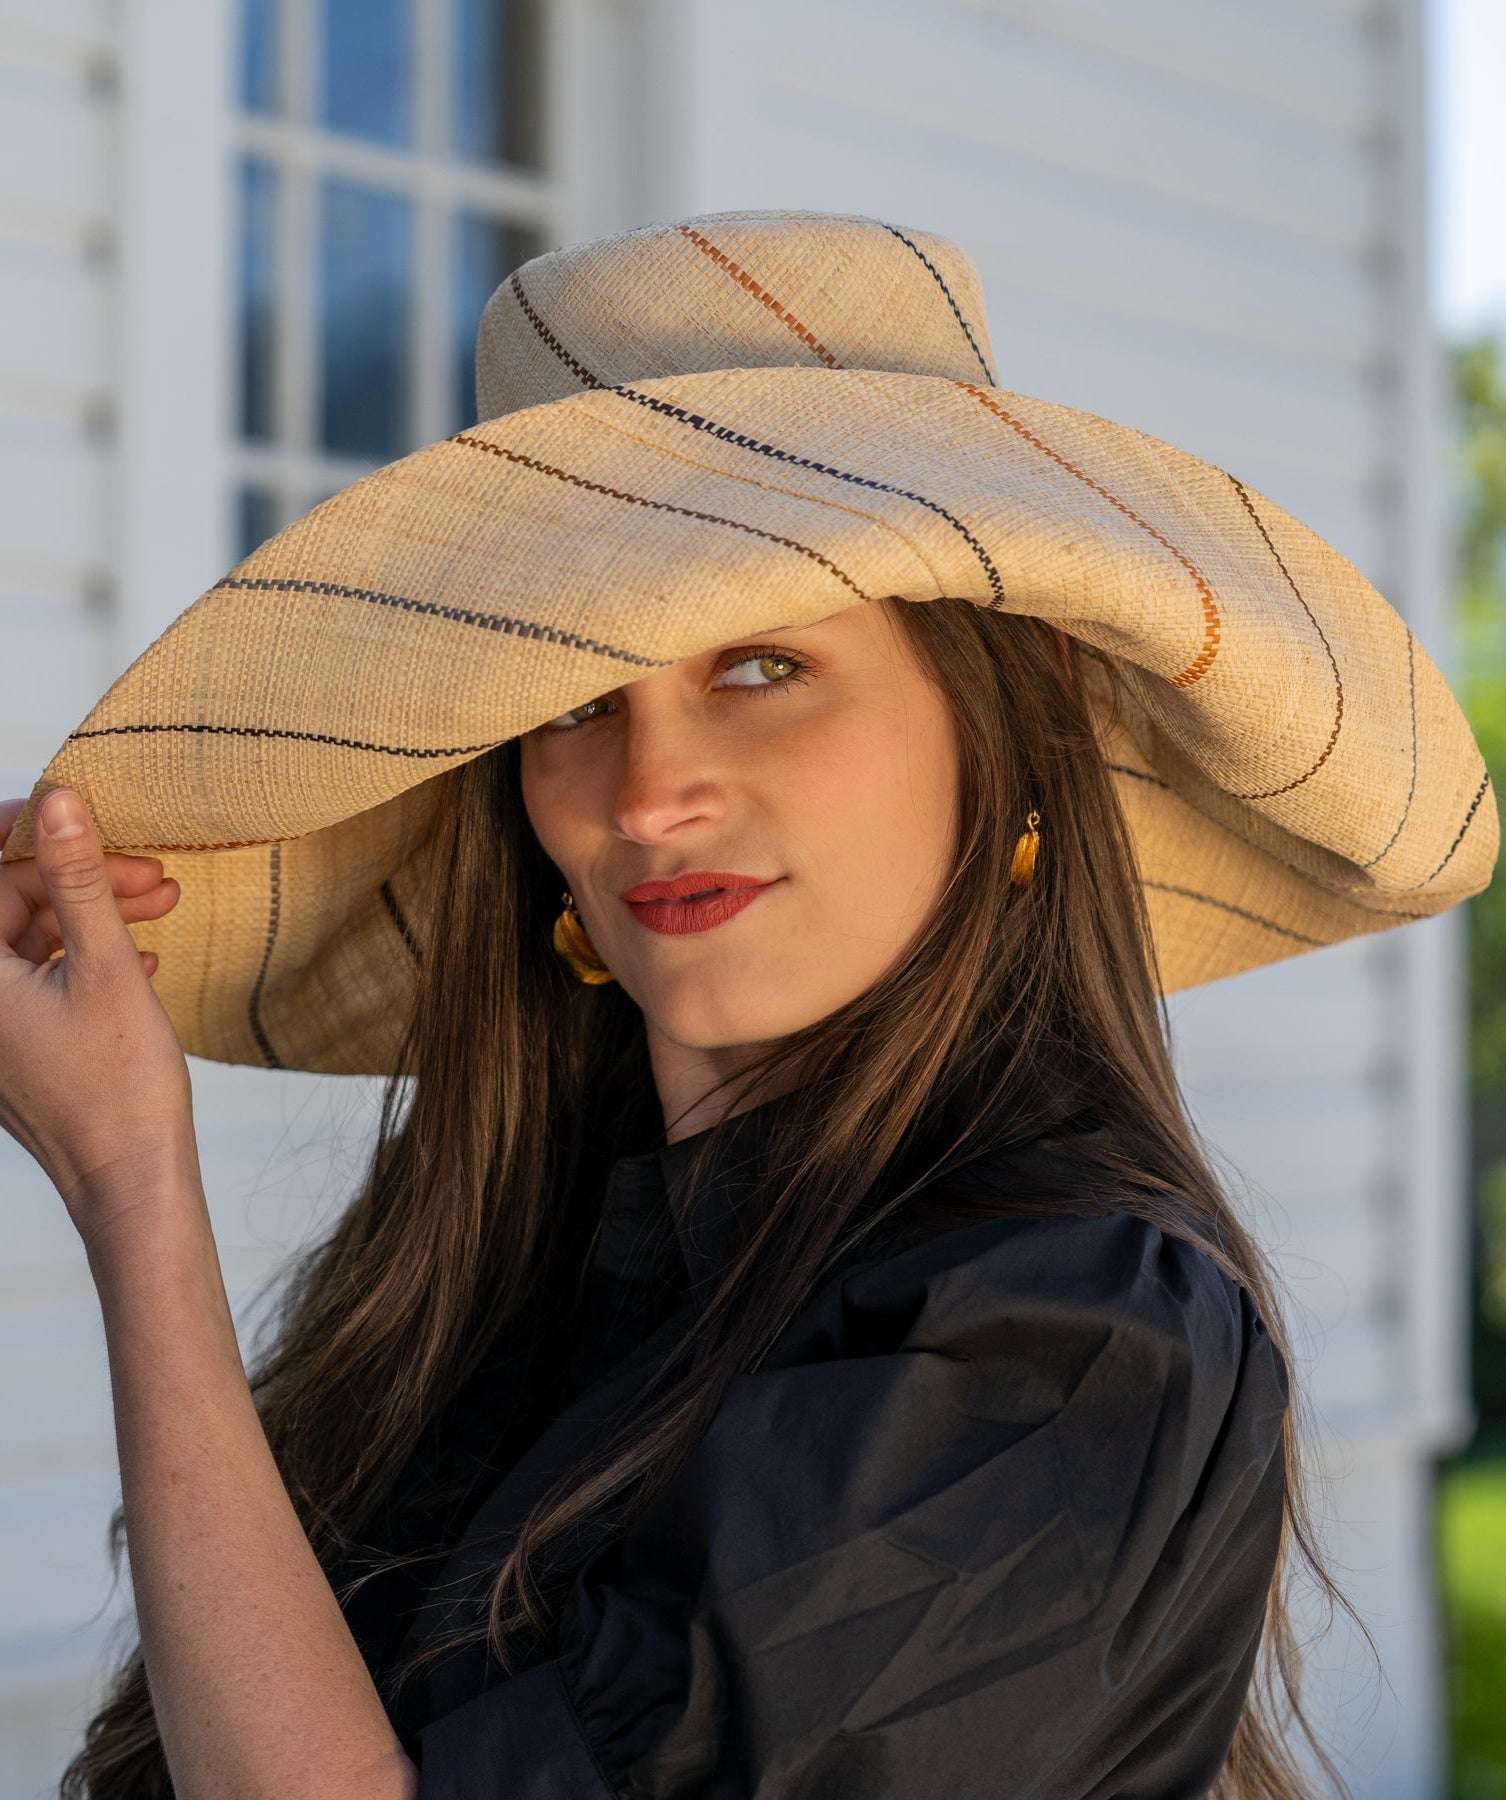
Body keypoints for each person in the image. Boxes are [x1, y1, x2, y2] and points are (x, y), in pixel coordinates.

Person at [0, 212, 1494, 1800]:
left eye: (761, 668)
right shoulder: (463, 1290)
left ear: (1016, 708)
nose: (646, 796)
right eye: (576, 703)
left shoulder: (1056, 1329)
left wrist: (131, 1188)